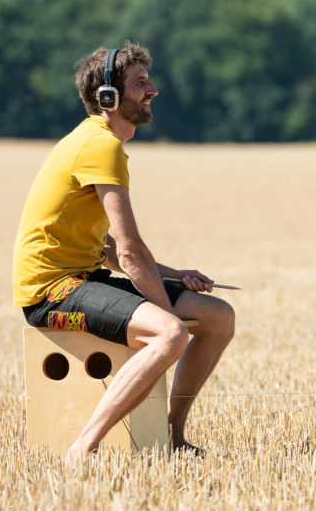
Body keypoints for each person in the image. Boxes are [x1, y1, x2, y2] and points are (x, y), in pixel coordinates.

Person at [12, 41, 234, 458]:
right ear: (108, 97)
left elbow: (109, 248)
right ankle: (83, 449)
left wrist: (172, 275)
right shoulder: (100, 146)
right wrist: (167, 315)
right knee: (170, 334)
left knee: (218, 317)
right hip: (51, 291)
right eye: (140, 83)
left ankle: (170, 436)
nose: (153, 90)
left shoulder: (98, 143)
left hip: (85, 278)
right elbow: (130, 253)